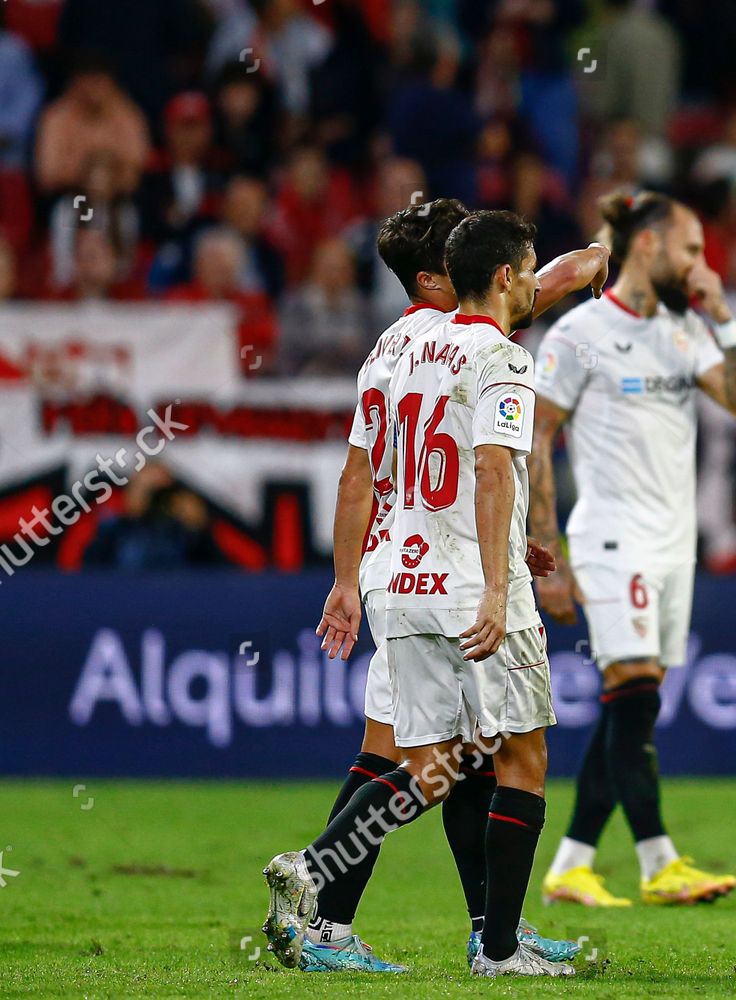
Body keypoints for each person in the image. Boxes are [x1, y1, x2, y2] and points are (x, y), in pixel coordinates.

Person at [261, 203, 608, 975]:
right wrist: (497, 577)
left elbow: (366, 473)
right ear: (445, 274)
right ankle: (493, 946)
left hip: (396, 572)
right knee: (518, 756)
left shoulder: (400, 345)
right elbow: (487, 465)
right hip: (468, 583)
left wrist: (346, 580)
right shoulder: (496, 352)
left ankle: (343, 892)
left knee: (434, 763)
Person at [529, 190, 736, 907]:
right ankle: (658, 860)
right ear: (651, 245)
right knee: (632, 690)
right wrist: (547, 556)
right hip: (609, 535)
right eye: (692, 249)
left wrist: (723, 319)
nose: (701, 265)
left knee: (635, 703)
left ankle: (572, 862)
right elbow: (537, 437)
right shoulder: (580, 332)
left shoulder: (684, 329)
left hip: (672, 544)